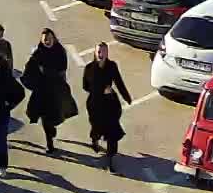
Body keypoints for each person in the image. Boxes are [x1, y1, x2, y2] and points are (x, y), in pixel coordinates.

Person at [22, 28, 77, 155]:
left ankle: (52, 129)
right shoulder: (38, 53)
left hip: (56, 88)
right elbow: (29, 69)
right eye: (45, 39)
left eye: (49, 38)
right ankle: (49, 143)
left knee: (55, 114)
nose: (47, 41)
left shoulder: (60, 51)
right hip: (41, 90)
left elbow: (63, 69)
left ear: (54, 39)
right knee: (43, 115)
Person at [82, 43, 133, 171]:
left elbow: (119, 82)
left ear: (107, 53)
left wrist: (127, 97)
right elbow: (85, 86)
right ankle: (95, 141)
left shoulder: (112, 66)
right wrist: (100, 90)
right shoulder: (89, 68)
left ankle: (110, 159)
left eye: (104, 51)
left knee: (112, 131)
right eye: (99, 51)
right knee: (97, 127)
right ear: (95, 53)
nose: (101, 54)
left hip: (110, 104)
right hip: (95, 104)